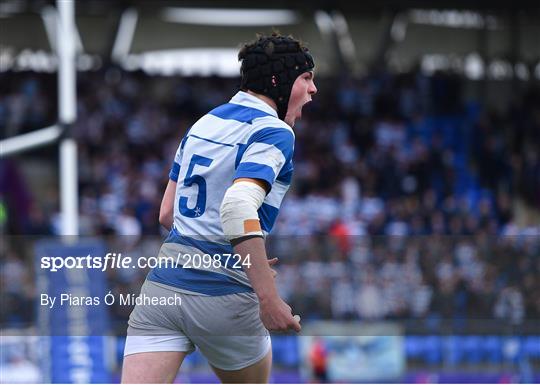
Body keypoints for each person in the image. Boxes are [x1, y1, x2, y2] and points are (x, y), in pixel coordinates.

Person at [121, 33, 317, 383]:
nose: (313, 89)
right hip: (224, 296)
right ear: (279, 81)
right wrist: (268, 297)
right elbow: (237, 206)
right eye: (307, 78)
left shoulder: (205, 122)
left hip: (163, 289)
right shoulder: (274, 131)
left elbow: (167, 214)